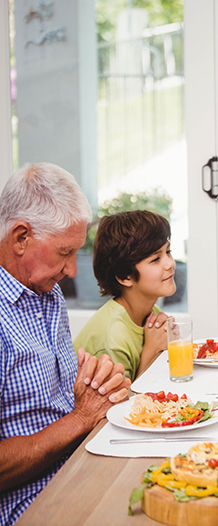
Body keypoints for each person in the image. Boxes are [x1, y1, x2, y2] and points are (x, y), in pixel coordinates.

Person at [0, 163, 131, 526]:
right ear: (21, 237)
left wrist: (99, 384)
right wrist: (82, 417)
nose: (73, 270)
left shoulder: (49, 294)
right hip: (29, 501)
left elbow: (55, 404)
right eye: (64, 252)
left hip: (77, 463)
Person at [73, 210, 175, 380]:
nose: (170, 263)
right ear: (124, 276)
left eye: (168, 251)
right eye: (155, 259)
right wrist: (152, 350)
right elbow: (121, 405)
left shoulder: (152, 313)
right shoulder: (113, 338)